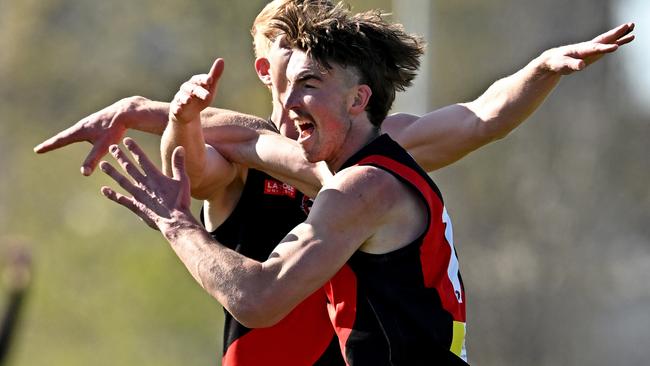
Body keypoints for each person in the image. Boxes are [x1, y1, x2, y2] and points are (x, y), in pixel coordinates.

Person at [34, 0, 635, 364]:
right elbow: (224, 145)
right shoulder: (321, 158)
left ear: (358, 99)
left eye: (309, 81)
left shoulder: (364, 182)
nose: (288, 96)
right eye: (282, 74)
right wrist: (152, 110)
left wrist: (172, 221)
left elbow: (482, 117)